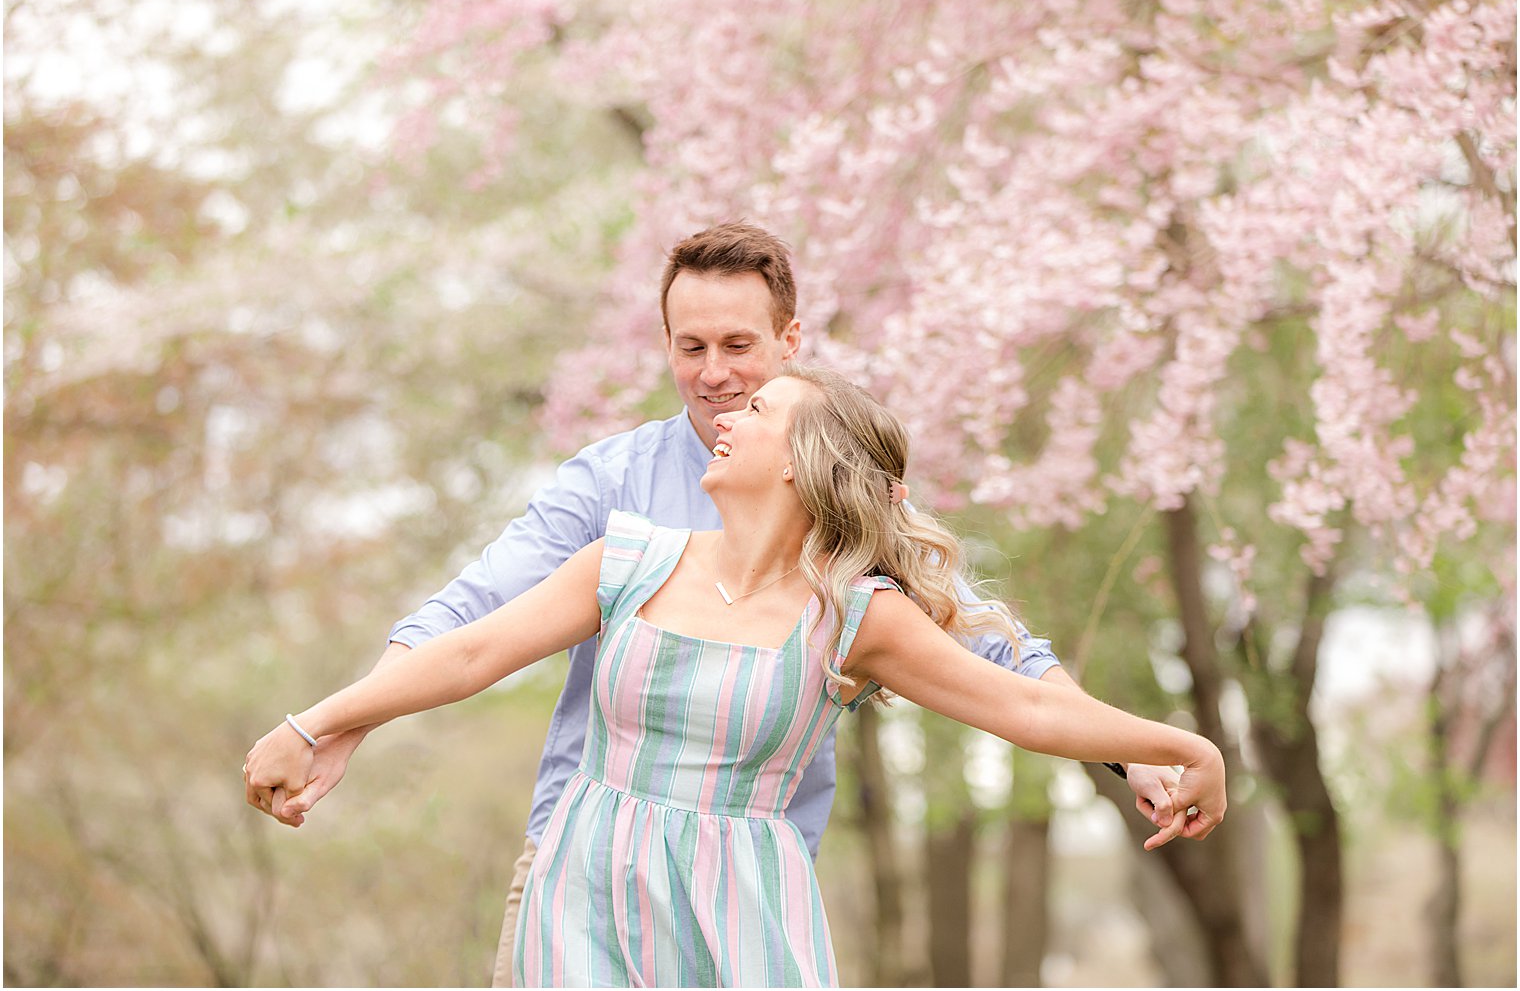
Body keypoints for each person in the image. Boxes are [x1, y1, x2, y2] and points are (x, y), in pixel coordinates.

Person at [244, 222, 1181, 984]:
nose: (715, 374)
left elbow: (998, 655)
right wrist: (348, 719)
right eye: (690, 347)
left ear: (790, 343)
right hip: (577, 873)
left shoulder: (849, 529)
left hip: (746, 888)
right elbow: (469, 625)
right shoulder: (613, 491)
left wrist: (1134, 749)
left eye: (739, 345)